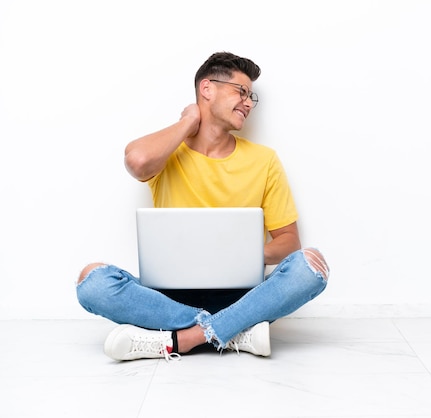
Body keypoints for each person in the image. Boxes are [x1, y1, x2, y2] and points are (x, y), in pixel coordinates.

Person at [75, 51, 329, 361]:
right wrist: (189, 120)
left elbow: (290, 243)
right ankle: (234, 332)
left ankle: (183, 339)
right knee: (92, 283)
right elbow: (137, 161)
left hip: (243, 296)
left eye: (252, 96)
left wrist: (239, 253)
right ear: (207, 89)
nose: (249, 102)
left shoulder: (264, 160)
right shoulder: (167, 152)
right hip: (167, 298)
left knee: (311, 266)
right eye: (241, 91)